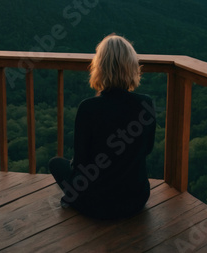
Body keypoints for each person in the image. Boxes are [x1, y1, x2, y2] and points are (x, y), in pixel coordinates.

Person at [49, 34, 156, 219]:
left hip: (96, 204)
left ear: (99, 68)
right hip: (136, 199)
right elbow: (147, 149)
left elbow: (81, 163)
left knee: (56, 164)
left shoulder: (88, 108)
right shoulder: (146, 104)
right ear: (132, 67)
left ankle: (73, 199)